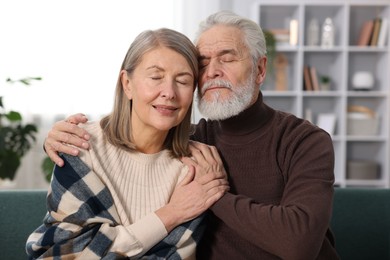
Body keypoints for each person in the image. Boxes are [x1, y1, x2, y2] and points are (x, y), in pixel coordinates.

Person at [42, 11, 340, 259]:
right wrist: (55, 137)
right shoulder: (190, 142)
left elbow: (298, 244)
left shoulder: (304, 140)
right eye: (202, 63)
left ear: (260, 70)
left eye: (227, 57)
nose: (212, 71)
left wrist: (213, 196)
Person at [26, 28, 229, 259]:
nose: (169, 92)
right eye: (155, 77)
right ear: (127, 83)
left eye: (182, 81)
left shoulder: (195, 168)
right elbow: (63, 254)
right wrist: (172, 213)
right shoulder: (80, 145)